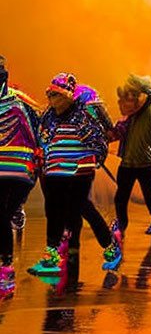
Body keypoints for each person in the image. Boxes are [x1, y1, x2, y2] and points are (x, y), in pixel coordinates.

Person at [30, 74, 111, 277]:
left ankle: (109, 245)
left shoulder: (81, 117)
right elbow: (43, 138)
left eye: (56, 95)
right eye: (50, 95)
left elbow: (98, 142)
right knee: (54, 211)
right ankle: (52, 257)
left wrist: (96, 157)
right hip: (56, 172)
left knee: (82, 207)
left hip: (78, 172)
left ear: (66, 97)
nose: (51, 100)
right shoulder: (49, 116)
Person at [0, 55, 41, 297]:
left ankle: (6, 271)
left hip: (14, 169)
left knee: (1, 215)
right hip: (18, 170)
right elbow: (33, 130)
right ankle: (6, 270)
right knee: (2, 216)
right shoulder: (18, 102)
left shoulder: (17, 103)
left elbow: (32, 131)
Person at [109, 74, 151, 236]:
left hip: (147, 162)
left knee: (149, 194)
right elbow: (116, 133)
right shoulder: (129, 117)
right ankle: (122, 224)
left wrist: (138, 85)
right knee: (121, 197)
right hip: (128, 162)